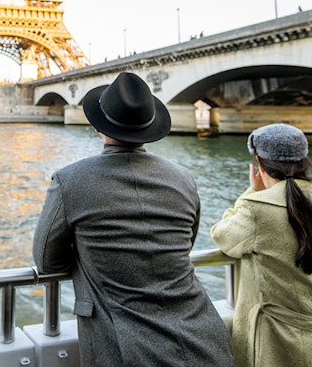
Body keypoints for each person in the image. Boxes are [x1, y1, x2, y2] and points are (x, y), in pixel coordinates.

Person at [33, 72, 234, 366]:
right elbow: (184, 243)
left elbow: (47, 262)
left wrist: (92, 250)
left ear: (99, 126)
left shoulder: (70, 181)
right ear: (148, 127)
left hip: (123, 347)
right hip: (205, 337)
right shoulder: (182, 178)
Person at [210, 123, 312, 367]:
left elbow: (222, 235)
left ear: (258, 163)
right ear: (304, 161)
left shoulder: (257, 209)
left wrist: (252, 191)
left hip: (278, 348)